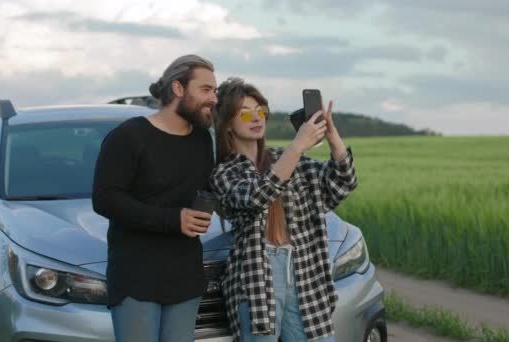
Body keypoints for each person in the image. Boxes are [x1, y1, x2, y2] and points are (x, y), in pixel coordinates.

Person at [210, 78, 358, 342]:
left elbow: (341, 182)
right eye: (245, 113)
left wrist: (332, 134)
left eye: (261, 111)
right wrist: (298, 146)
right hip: (256, 275)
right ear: (228, 125)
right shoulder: (225, 172)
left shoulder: (285, 157)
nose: (256, 118)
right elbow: (257, 195)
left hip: (303, 267)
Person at [92, 54, 217, 342]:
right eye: (206, 89)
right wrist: (174, 219)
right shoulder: (128, 137)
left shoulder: (201, 140)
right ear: (178, 89)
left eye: (215, 91)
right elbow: (106, 199)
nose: (213, 98)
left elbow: (207, 190)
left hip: (186, 275)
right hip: (136, 275)